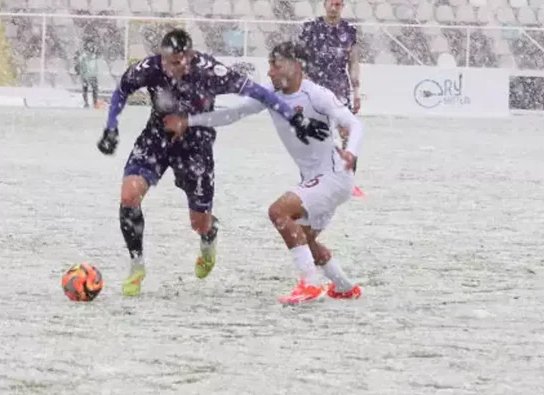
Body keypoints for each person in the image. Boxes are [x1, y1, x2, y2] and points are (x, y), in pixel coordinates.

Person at [96, 29, 331, 297]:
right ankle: (137, 266)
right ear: (163, 58)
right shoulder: (148, 68)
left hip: (196, 147)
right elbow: (121, 91)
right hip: (157, 137)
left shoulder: (210, 70)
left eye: (185, 59)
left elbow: (260, 94)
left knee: (199, 222)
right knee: (129, 196)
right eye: (175, 62)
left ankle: (209, 234)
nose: (181, 66)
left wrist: (295, 118)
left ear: (192, 55)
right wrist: (111, 126)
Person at [164, 42, 363, 304]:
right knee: (306, 238)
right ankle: (345, 286)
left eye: (275, 65)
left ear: (295, 66)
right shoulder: (269, 93)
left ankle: (309, 285)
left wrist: (352, 151)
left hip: (334, 177)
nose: (269, 72)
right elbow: (233, 114)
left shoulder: (316, 94)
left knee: (278, 212)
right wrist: (190, 121)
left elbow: (355, 123)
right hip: (317, 181)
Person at [298, 0, 360, 115]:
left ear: (342, 6)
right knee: (313, 128)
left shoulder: (349, 31)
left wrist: (356, 93)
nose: (333, 8)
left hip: (339, 89)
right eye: (330, 4)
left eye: (337, 4)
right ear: (324, 5)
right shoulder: (311, 27)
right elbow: (299, 57)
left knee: (341, 128)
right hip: (314, 87)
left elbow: (353, 63)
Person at [75, 41, 101, 108]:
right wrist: (80, 71)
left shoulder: (94, 56)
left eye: (92, 45)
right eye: (89, 45)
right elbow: (79, 64)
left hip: (93, 75)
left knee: (94, 89)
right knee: (85, 89)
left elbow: (97, 64)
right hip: (86, 75)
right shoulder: (84, 56)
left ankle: (95, 102)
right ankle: (86, 103)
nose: (91, 47)